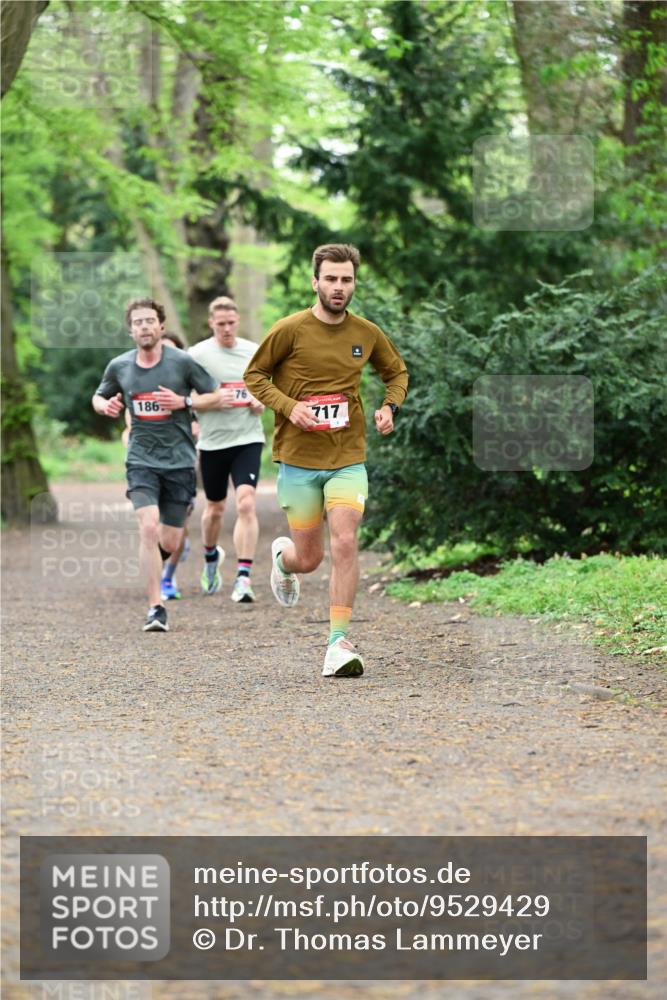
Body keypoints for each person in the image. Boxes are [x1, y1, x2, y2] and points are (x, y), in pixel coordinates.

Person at [244, 244, 408, 677]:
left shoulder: (366, 333)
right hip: (298, 459)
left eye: (346, 279)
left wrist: (389, 406)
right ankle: (284, 561)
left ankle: (338, 642)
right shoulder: (289, 329)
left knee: (346, 540)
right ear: (315, 281)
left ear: (354, 283)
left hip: (347, 457)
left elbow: (396, 372)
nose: (339, 287)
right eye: (331, 279)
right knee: (310, 558)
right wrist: (289, 407)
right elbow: (254, 376)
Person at [92, 298, 220, 632]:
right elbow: (99, 396)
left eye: (150, 320)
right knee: (148, 527)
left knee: (170, 542)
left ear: (161, 326)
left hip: (179, 462)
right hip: (141, 460)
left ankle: (153, 561)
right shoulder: (120, 366)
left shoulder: (182, 362)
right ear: (131, 330)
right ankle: (156, 607)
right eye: (138, 322)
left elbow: (215, 395)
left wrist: (184, 401)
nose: (145, 326)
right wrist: (104, 406)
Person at [188, 296, 266, 603]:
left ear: (238, 321)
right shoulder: (196, 355)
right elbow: (187, 399)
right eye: (221, 324)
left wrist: (260, 401)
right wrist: (212, 401)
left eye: (231, 323)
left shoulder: (254, 351)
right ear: (211, 324)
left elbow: (266, 388)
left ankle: (243, 578)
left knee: (246, 504)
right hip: (213, 442)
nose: (227, 329)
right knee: (214, 509)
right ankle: (211, 557)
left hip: (248, 439)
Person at [121, 330, 198, 602]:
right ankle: (157, 579)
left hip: (181, 465)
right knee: (149, 526)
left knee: (173, 535)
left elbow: (204, 414)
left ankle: (168, 570)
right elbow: (130, 426)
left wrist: (193, 425)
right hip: (146, 464)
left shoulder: (188, 383)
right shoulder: (139, 384)